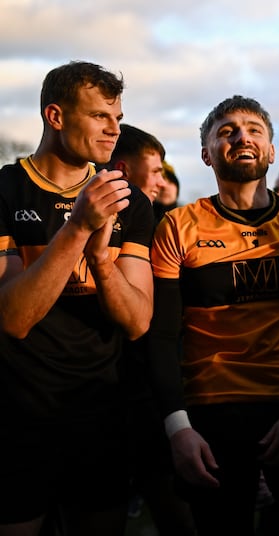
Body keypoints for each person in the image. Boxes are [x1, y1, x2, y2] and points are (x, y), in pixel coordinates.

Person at [148, 95, 279, 535]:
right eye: (227, 130)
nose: (242, 136)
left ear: (271, 151)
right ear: (206, 154)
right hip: (211, 416)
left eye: (254, 129)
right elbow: (160, 337)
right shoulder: (178, 227)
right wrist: (178, 427)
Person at [0, 60, 154, 534]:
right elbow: (13, 317)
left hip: (101, 410)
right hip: (17, 412)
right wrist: (78, 227)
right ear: (55, 116)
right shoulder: (5, 189)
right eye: (99, 117)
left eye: (118, 119)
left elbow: (137, 321)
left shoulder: (131, 200)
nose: (114, 131)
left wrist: (103, 261)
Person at [102, 124, 197, 534]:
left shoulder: (167, 228)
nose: (162, 180)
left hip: (150, 390)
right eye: (155, 170)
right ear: (122, 169)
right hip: (104, 391)